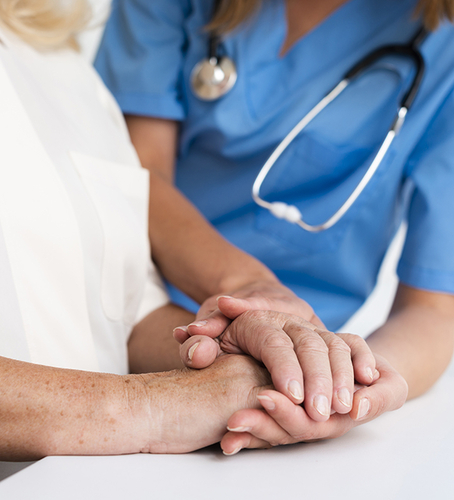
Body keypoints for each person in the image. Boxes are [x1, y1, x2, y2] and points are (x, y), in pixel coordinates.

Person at [0, 0, 406, 460]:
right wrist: (150, 406)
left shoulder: (57, 66)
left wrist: (253, 362)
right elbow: (142, 402)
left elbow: (122, 315)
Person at [94, 0, 454, 454]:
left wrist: (354, 383)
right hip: (127, 310)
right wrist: (249, 289)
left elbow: (430, 313)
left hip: (290, 374)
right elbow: (135, 177)